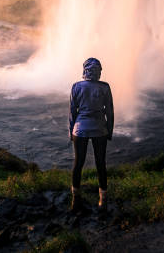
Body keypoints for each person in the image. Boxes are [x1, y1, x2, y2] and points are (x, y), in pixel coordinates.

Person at [69, 57, 114, 212]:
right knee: (100, 163)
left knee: (78, 163)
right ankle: (103, 199)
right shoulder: (105, 87)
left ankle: (75, 198)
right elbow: (109, 111)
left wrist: (70, 131)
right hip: (100, 129)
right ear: (98, 71)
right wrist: (110, 130)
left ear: (85, 71)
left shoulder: (76, 86)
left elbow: (72, 112)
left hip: (79, 129)